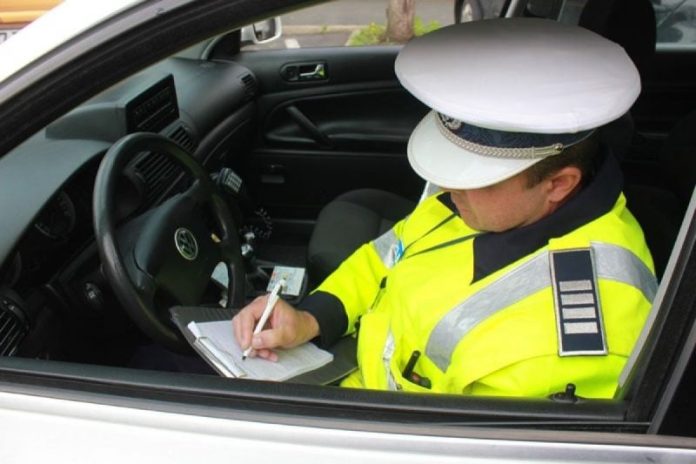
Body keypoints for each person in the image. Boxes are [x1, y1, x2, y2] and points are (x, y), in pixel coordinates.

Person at [233, 18, 657, 397]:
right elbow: (385, 257)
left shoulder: (560, 349)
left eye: (476, 177)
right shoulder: (493, 205)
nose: (450, 188)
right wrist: (312, 319)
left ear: (558, 185)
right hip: (344, 371)